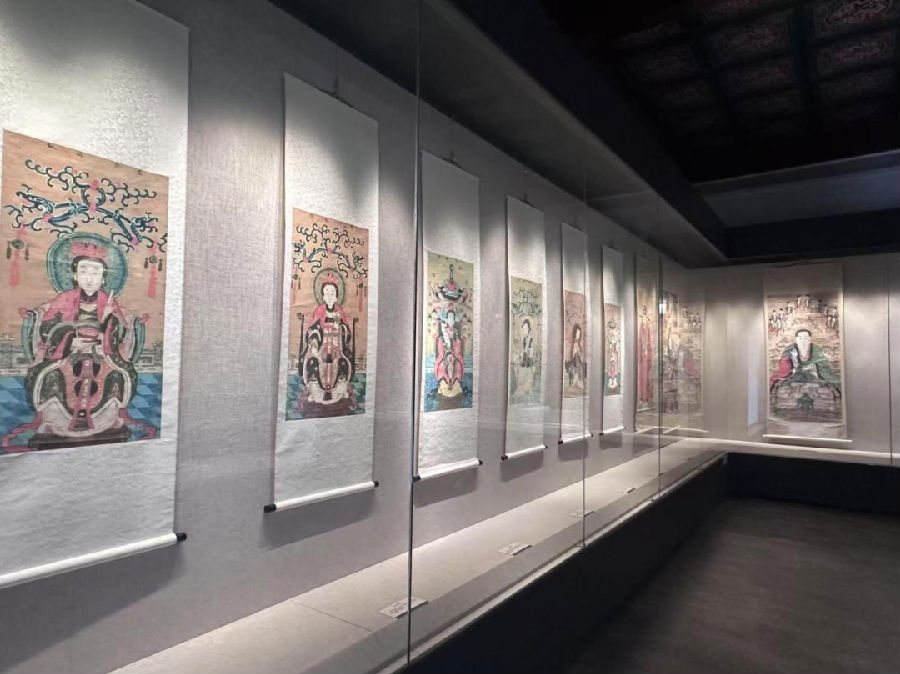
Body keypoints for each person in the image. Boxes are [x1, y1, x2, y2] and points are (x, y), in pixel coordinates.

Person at [7, 241, 147, 450]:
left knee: (116, 376)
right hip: (65, 354)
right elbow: (48, 329)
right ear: (74, 275)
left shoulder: (109, 303)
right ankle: (55, 426)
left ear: (103, 278)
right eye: (84, 272)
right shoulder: (64, 300)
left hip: (102, 354)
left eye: (95, 273)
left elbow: (118, 334)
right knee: (52, 377)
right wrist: (71, 339)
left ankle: (106, 423)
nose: (89, 278)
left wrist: (108, 325)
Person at [300, 275, 355, 410]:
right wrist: (314, 344)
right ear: (323, 297)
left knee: (342, 363)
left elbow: (346, 330)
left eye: (332, 293)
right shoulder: (319, 311)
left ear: (336, 296)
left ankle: (340, 389)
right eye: (327, 293)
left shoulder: (340, 311)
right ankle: (315, 391)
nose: (330, 295)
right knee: (314, 363)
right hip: (321, 347)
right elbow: (313, 329)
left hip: (337, 346)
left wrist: (340, 327)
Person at [769, 328, 841, 396]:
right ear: (796, 340)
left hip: (813, 376)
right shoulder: (790, 349)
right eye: (800, 338)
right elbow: (784, 367)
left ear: (809, 340)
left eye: (805, 338)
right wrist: (796, 368)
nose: (803, 341)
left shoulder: (816, 350)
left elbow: (823, 367)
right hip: (794, 376)